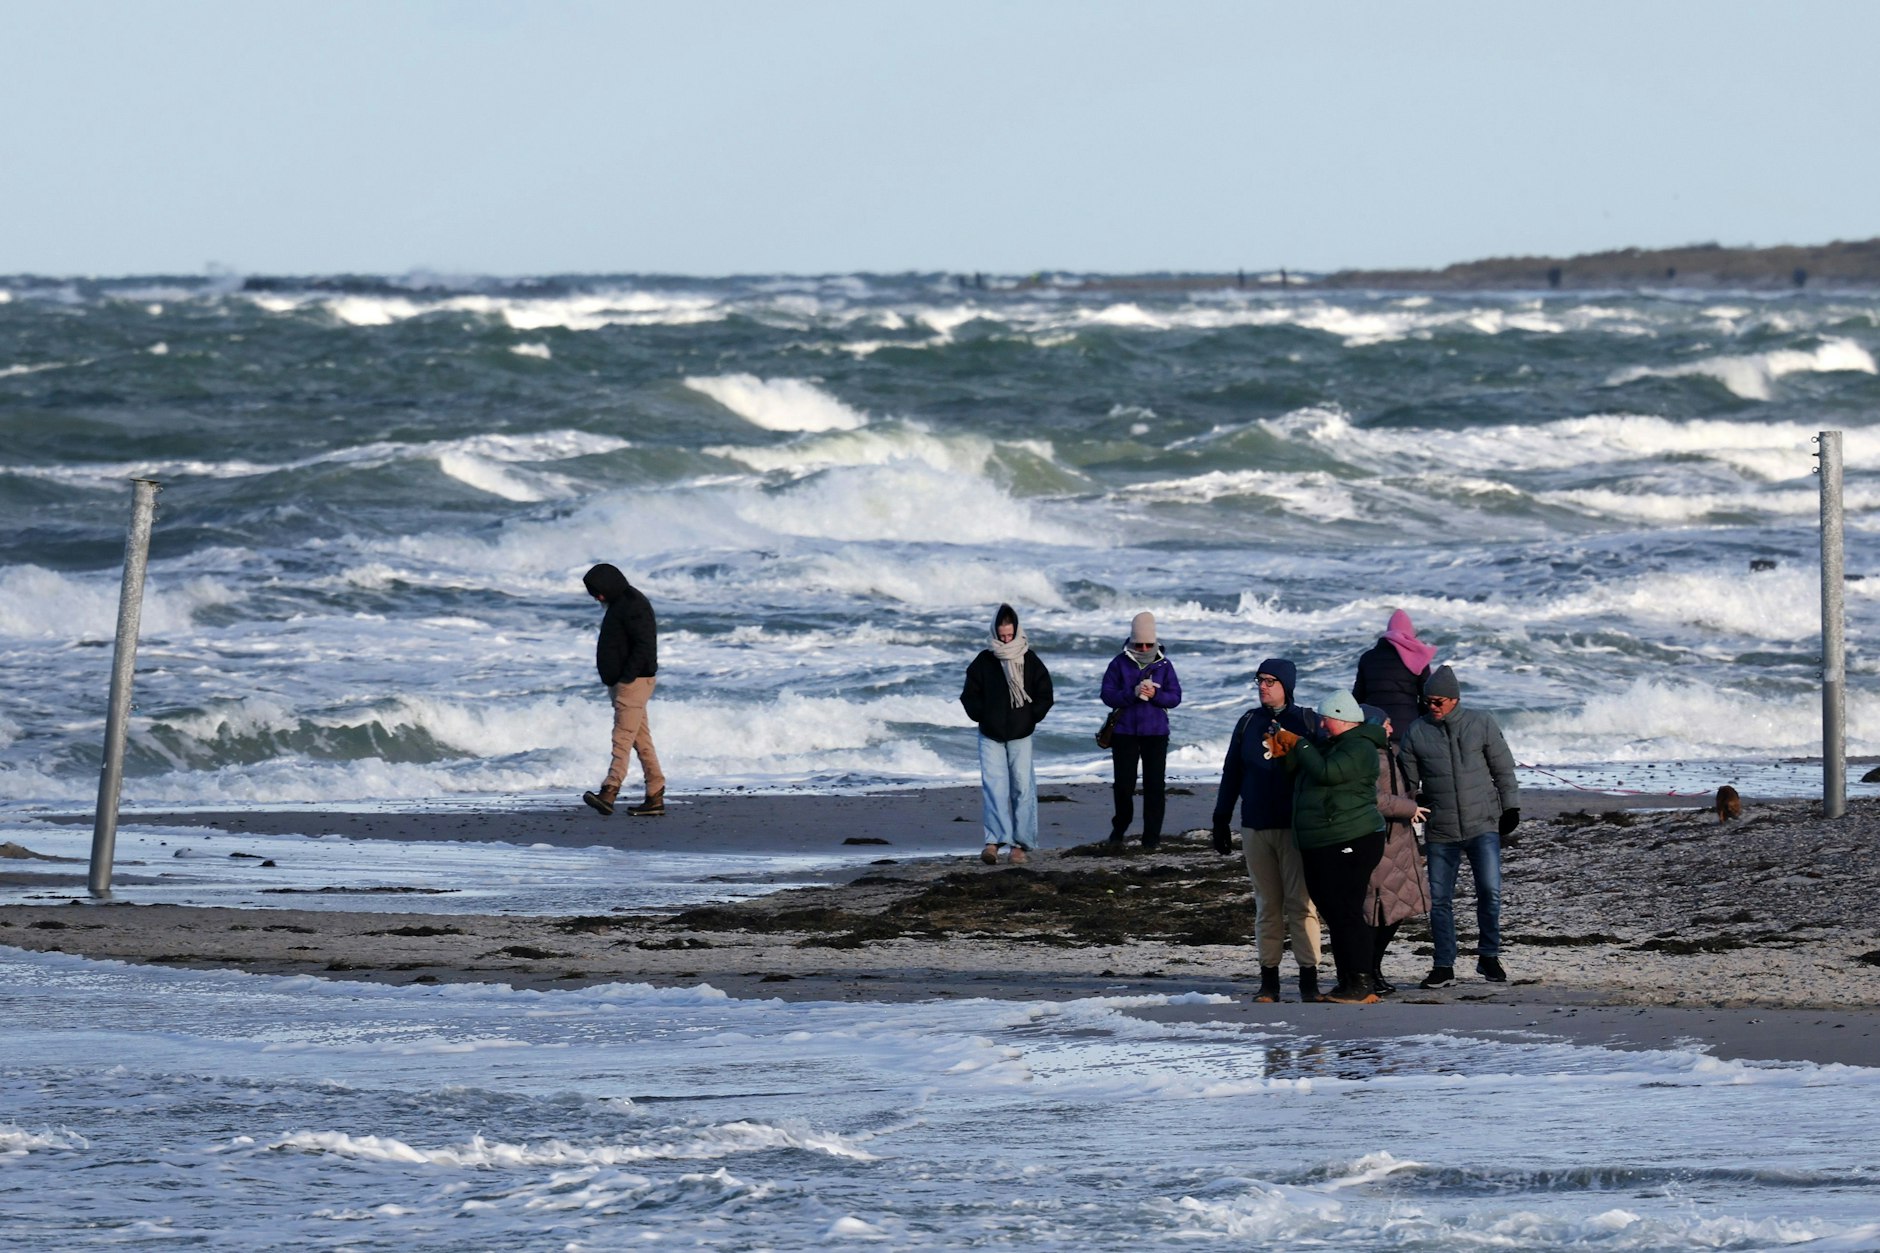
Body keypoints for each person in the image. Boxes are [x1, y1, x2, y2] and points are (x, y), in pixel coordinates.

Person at [1397, 664, 1520, 988]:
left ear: (1454, 700)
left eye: (1438, 701)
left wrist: (1511, 807)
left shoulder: (1481, 723)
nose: (1432, 707)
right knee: (1439, 899)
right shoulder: (1417, 731)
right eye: (1428, 701)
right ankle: (1443, 965)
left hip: (1483, 824)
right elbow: (1407, 782)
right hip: (1441, 829)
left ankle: (1488, 957)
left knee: (1490, 892)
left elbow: (1503, 768)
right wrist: (1409, 805)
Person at [1210, 658, 1322, 1003]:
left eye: (1270, 681)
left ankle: (1309, 982)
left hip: (1295, 828)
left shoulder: (1306, 721)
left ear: (1287, 685)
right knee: (1267, 905)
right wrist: (1220, 819)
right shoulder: (1247, 722)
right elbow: (1232, 772)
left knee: (1302, 905)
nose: (1263, 686)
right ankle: (1269, 982)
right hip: (1255, 826)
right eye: (1259, 680)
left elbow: (1323, 771)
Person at [1272, 691, 1387, 1004]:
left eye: (1327, 718)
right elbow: (1302, 771)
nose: (1321, 724)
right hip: (1322, 840)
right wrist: (1289, 750)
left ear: (1343, 718)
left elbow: (1328, 773)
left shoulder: (1360, 746)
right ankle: (1347, 980)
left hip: (1353, 837)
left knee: (1348, 910)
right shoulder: (1332, 744)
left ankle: (1363, 982)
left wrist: (1301, 744)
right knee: (1334, 912)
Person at [960, 603, 1054, 865]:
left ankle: (1020, 845)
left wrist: (1031, 716)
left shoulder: (1030, 660)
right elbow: (969, 696)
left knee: (1022, 788)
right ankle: (992, 842)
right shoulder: (983, 661)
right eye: (1001, 635)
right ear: (995, 631)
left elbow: (1045, 693)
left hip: (1021, 734)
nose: (1005, 639)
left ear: (1016, 631)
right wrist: (982, 714)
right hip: (990, 734)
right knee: (994, 788)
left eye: (1009, 635)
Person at [581, 562, 665, 817]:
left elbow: (645, 645)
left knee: (622, 738)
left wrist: (627, 678)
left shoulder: (633, 605)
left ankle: (610, 790)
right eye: (595, 594)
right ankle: (655, 793)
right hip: (625, 683)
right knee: (640, 740)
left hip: (633, 683)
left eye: (599, 592)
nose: (598, 598)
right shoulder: (620, 603)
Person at [1359, 704, 1431, 995]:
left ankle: (1374, 967)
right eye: (1386, 724)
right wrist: (1409, 807)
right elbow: (1372, 797)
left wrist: (1418, 799)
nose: (1391, 728)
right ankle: (1367, 971)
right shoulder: (1364, 757)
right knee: (1375, 911)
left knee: (1398, 910)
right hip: (1380, 839)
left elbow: (1403, 788)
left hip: (1401, 840)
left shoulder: (1394, 752)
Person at [1099, 611, 1182, 850]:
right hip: (1125, 732)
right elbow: (1107, 695)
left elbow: (1175, 697)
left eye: (1148, 643)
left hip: (1156, 733)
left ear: (1155, 641)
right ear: (1131, 640)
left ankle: (1151, 838)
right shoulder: (1118, 663)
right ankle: (1119, 829)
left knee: (1154, 786)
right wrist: (1132, 693)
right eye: (1139, 644)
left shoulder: (1165, 665)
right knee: (1123, 785)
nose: (1143, 648)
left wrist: (1156, 695)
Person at [1352, 609, 1436, 739]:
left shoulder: (1368, 657)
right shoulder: (1419, 658)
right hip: (1408, 726)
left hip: (1374, 726)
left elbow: (1358, 697)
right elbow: (1427, 697)